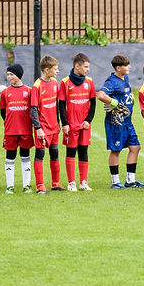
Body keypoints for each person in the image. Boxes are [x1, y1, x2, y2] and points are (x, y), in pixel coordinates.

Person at [97, 54, 144, 189]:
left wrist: (130, 98)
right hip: (116, 122)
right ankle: (115, 182)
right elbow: (101, 95)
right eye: (126, 65)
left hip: (127, 122)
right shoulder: (111, 81)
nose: (129, 67)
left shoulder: (125, 78)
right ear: (118, 68)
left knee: (135, 147)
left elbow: (124, 94)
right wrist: (113, 102)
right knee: (116, 150)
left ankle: (130, 180)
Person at [58, 52, 96, 191]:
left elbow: (93, 103)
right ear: (77, 66)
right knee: (71, 152)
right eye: (85, 67)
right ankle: (71, 183)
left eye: (88, 67)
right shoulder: (65, 82)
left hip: (84, 125)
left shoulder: (89, 82)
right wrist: (65, 123)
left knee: (84, 151)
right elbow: (61, 105)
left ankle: (83, 182)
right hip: (71, 125)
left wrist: (88, 120)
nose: (87, 69)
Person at [30, 55, 64, 193]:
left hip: (53, 126)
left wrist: (58, 122)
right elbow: (33, 109)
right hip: (43, 128)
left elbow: (55, 104)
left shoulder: (54, 82)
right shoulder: (37, 86)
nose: (58, 71)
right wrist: (38, 128)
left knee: (55, 153)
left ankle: (55, 183)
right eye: (55, 69)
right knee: (40, 154)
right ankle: (40, 185)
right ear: (46, 70)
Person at [0, 64, 33, 194]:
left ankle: (26, 185)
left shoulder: (29, 91)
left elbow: (33, 110)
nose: (9, 77)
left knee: (25, 156)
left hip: (25, 130)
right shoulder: (5, 92)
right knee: (10, 157)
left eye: (11, 74)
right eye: (7, 74)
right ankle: (10, 186)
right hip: (10, 131)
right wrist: (10, 122)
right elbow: (3, 112)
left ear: (18, 75)